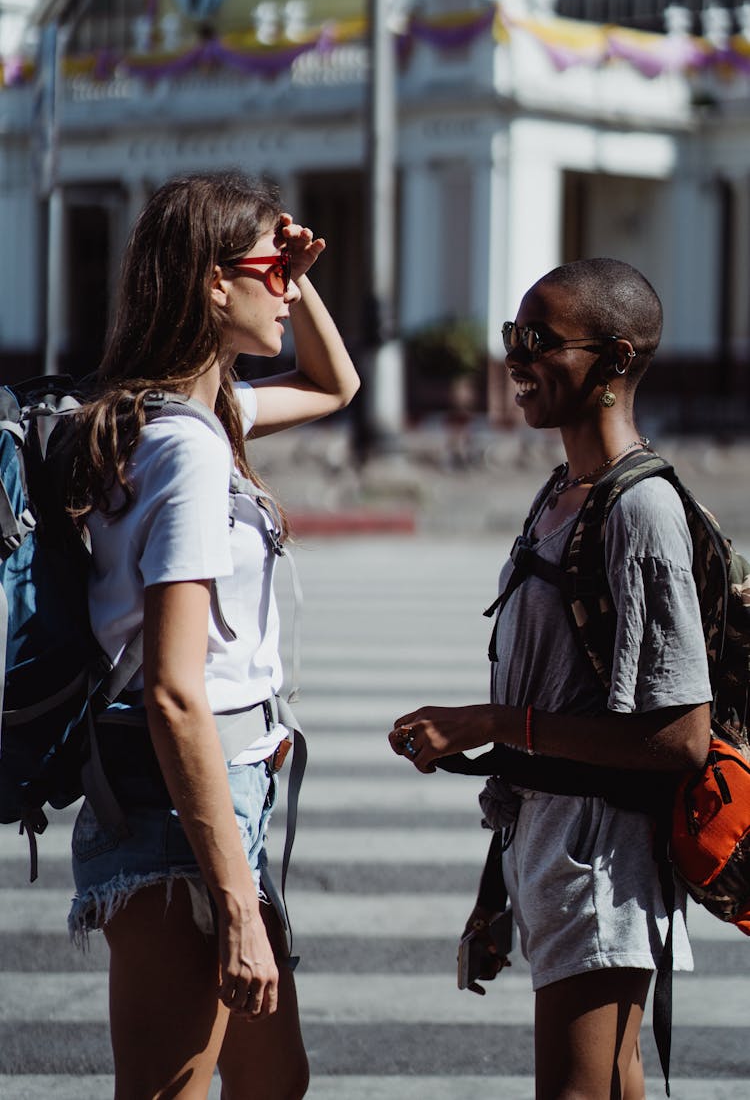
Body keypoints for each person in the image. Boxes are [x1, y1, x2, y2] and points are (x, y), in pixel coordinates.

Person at [66, 170, 359, 1100]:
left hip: (220, 795)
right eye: (271, 271)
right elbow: (174, 687)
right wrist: (235, 901)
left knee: (275, 1075)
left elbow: (335, 384)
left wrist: (297, 273)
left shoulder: (190, 416)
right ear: (208, 281)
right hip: (174, 809)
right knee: (170, 1088)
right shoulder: (186, 448)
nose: (286, 289)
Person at [389, 258, 712, 1100]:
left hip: (605, 862)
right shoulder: (560, 493)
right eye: (512, 337)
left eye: (540, 341)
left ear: (613, 360)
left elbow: (680, 736)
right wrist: (495, 887)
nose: (516, 359)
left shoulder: (640, 511)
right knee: (611, 1083)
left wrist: (489, 722)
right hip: (553, 848)